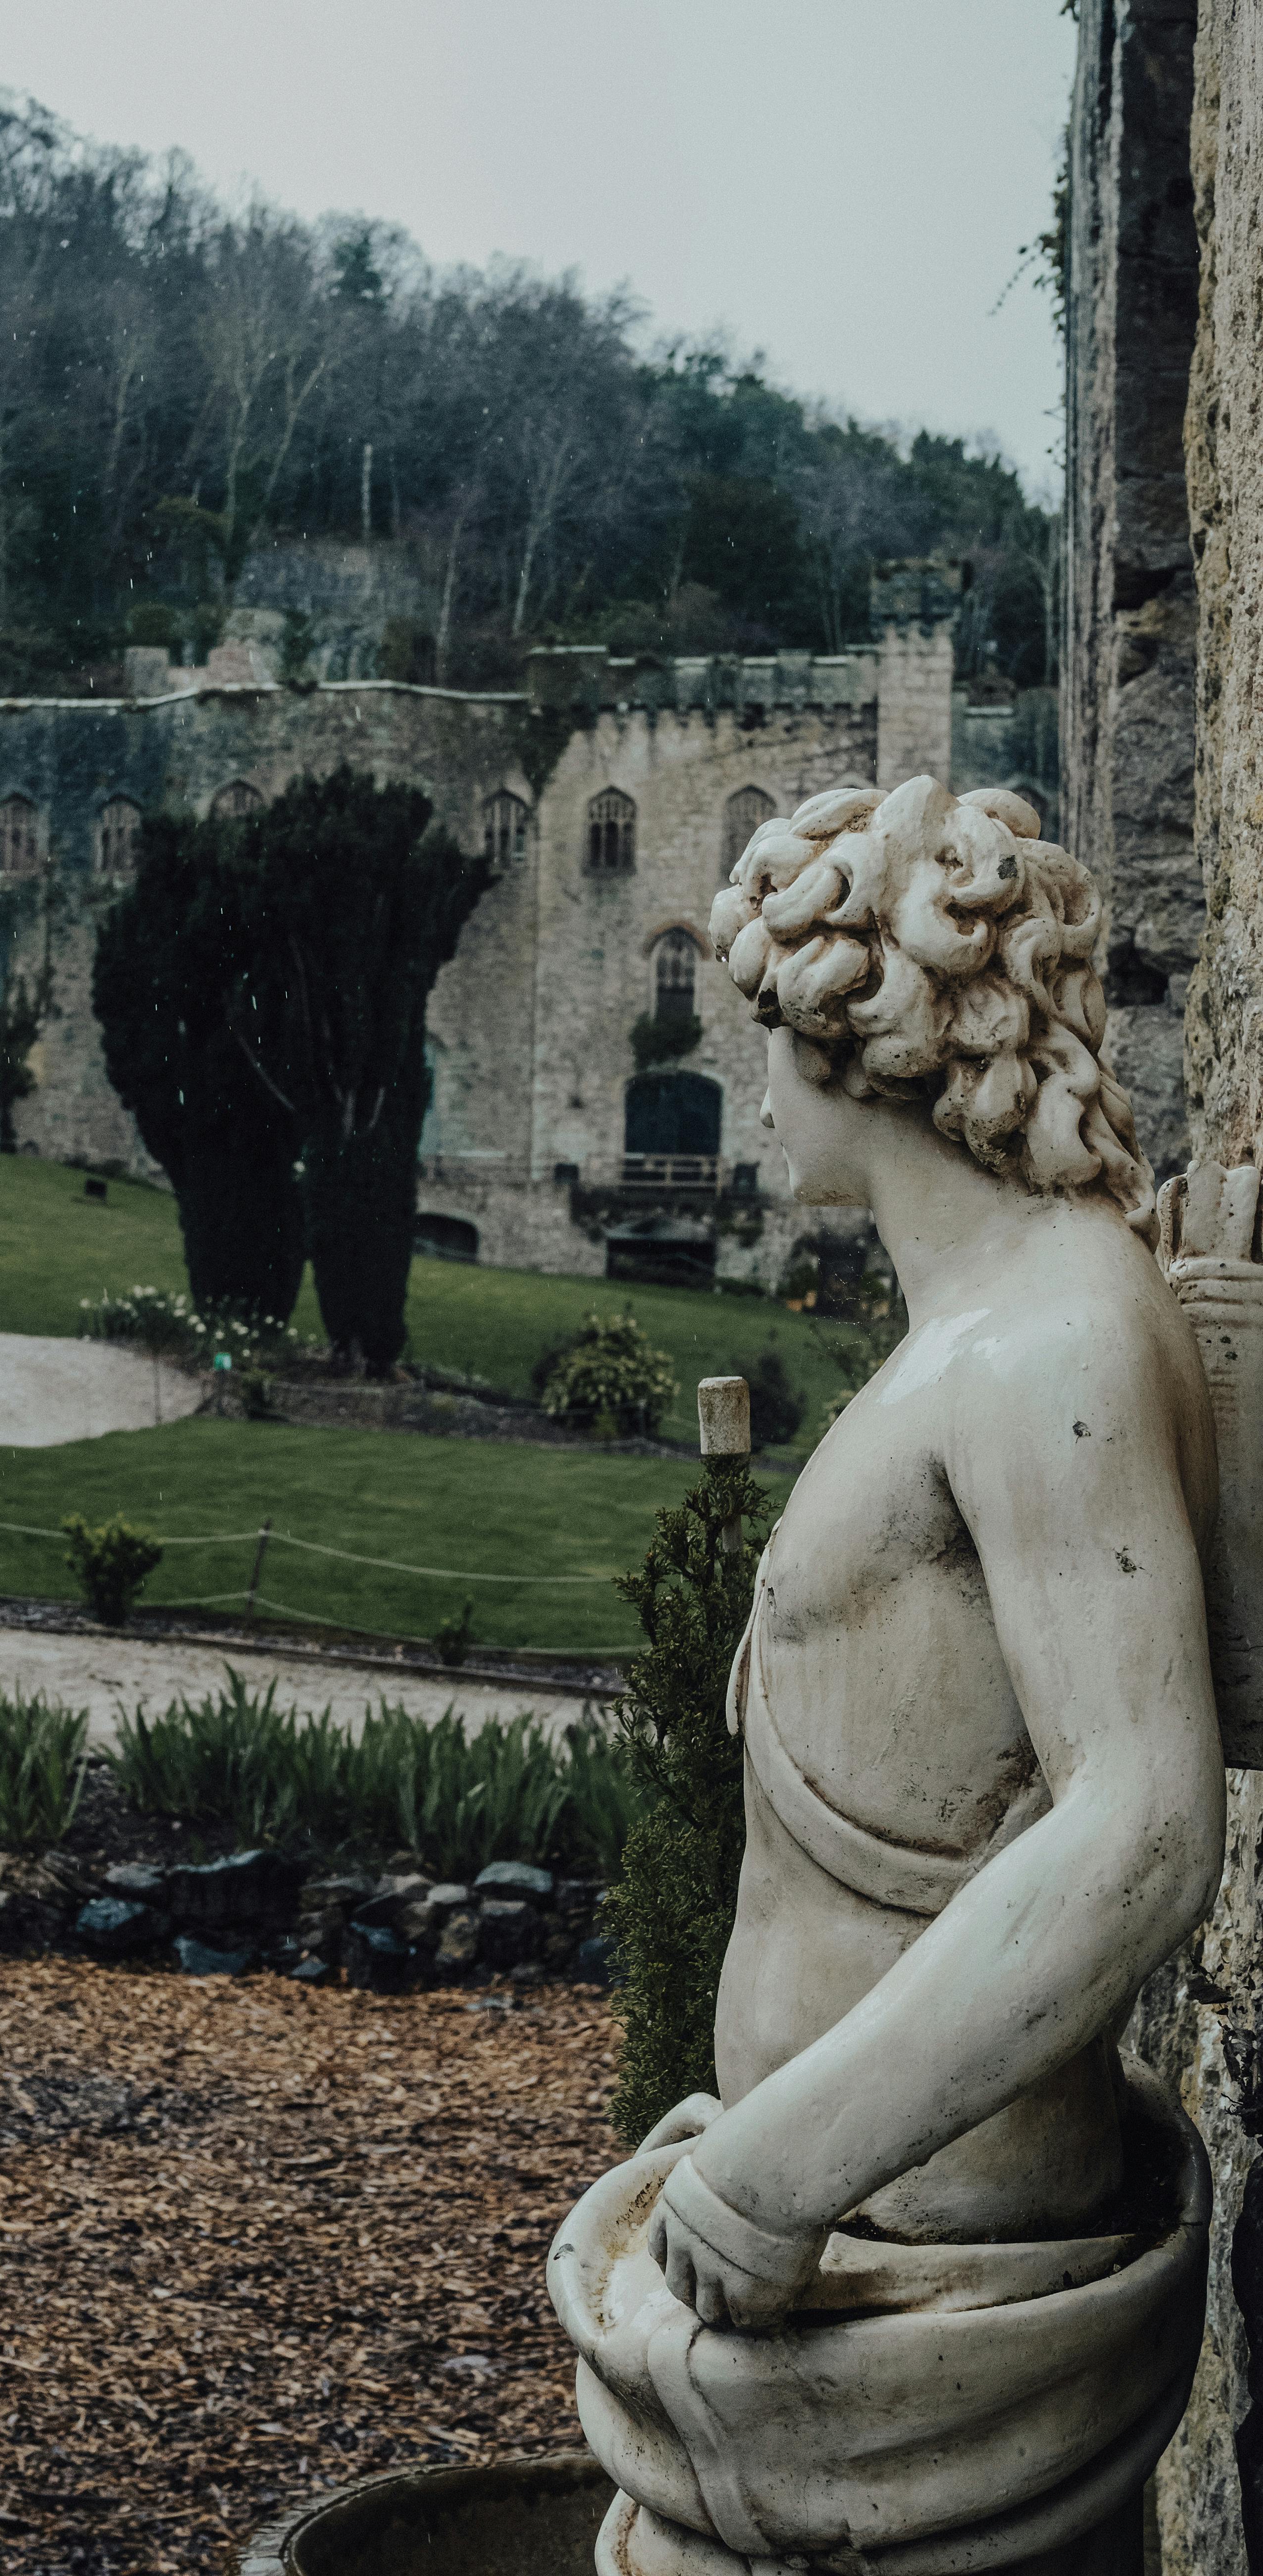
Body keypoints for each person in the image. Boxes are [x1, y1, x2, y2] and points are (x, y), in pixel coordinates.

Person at [552, 777, 1224, 2574]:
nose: (754, 1075)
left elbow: (1145, 1817)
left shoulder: (1050, 1337)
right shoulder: (989, 1325)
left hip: (917, 2264)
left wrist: (789, 2166)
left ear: (862, 1036)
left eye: (766, 1019)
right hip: (841, 2229)